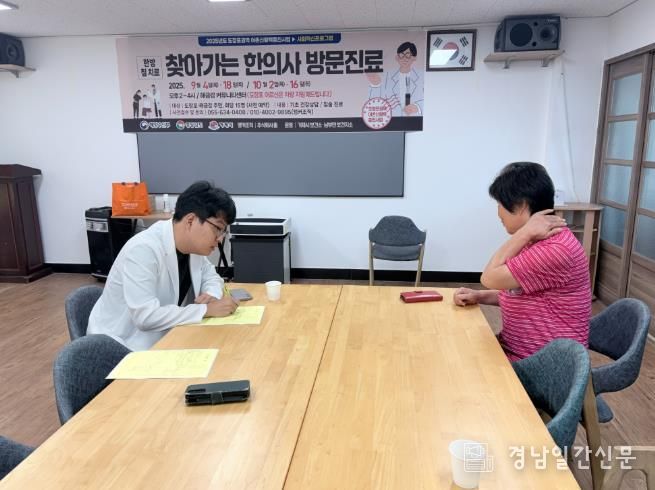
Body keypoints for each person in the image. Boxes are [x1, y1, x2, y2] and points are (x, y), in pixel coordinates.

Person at [453, 162, 591, 361]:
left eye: (500, 204)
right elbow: (520, 293)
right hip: (523, 352)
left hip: (545, 366)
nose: (498, 213)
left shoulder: (555, 249)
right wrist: (479, 296)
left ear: (522, 206)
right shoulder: (539, 239)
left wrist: (524, 233)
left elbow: (489, 278)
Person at [87, 181, 239, 351]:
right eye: (217, 228)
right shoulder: (143, 249)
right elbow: (146, 317)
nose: (220, 239)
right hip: (119, 346)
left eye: (223, 232)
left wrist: (211, 294)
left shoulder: (192, 246)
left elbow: (211, 276)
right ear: (190, 221)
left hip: (164, 337)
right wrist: (205, 310)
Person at [366, 41, 424, 117]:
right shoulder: (387, 76)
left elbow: (431, 98)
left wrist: (417, 107)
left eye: (408, 55)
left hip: (416, 121)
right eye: (401, 55)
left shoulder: (422, 76)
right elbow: (374, 101)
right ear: (397, 57)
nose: (404, 58)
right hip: (393, 121)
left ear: (414, 58)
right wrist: (375, 85)